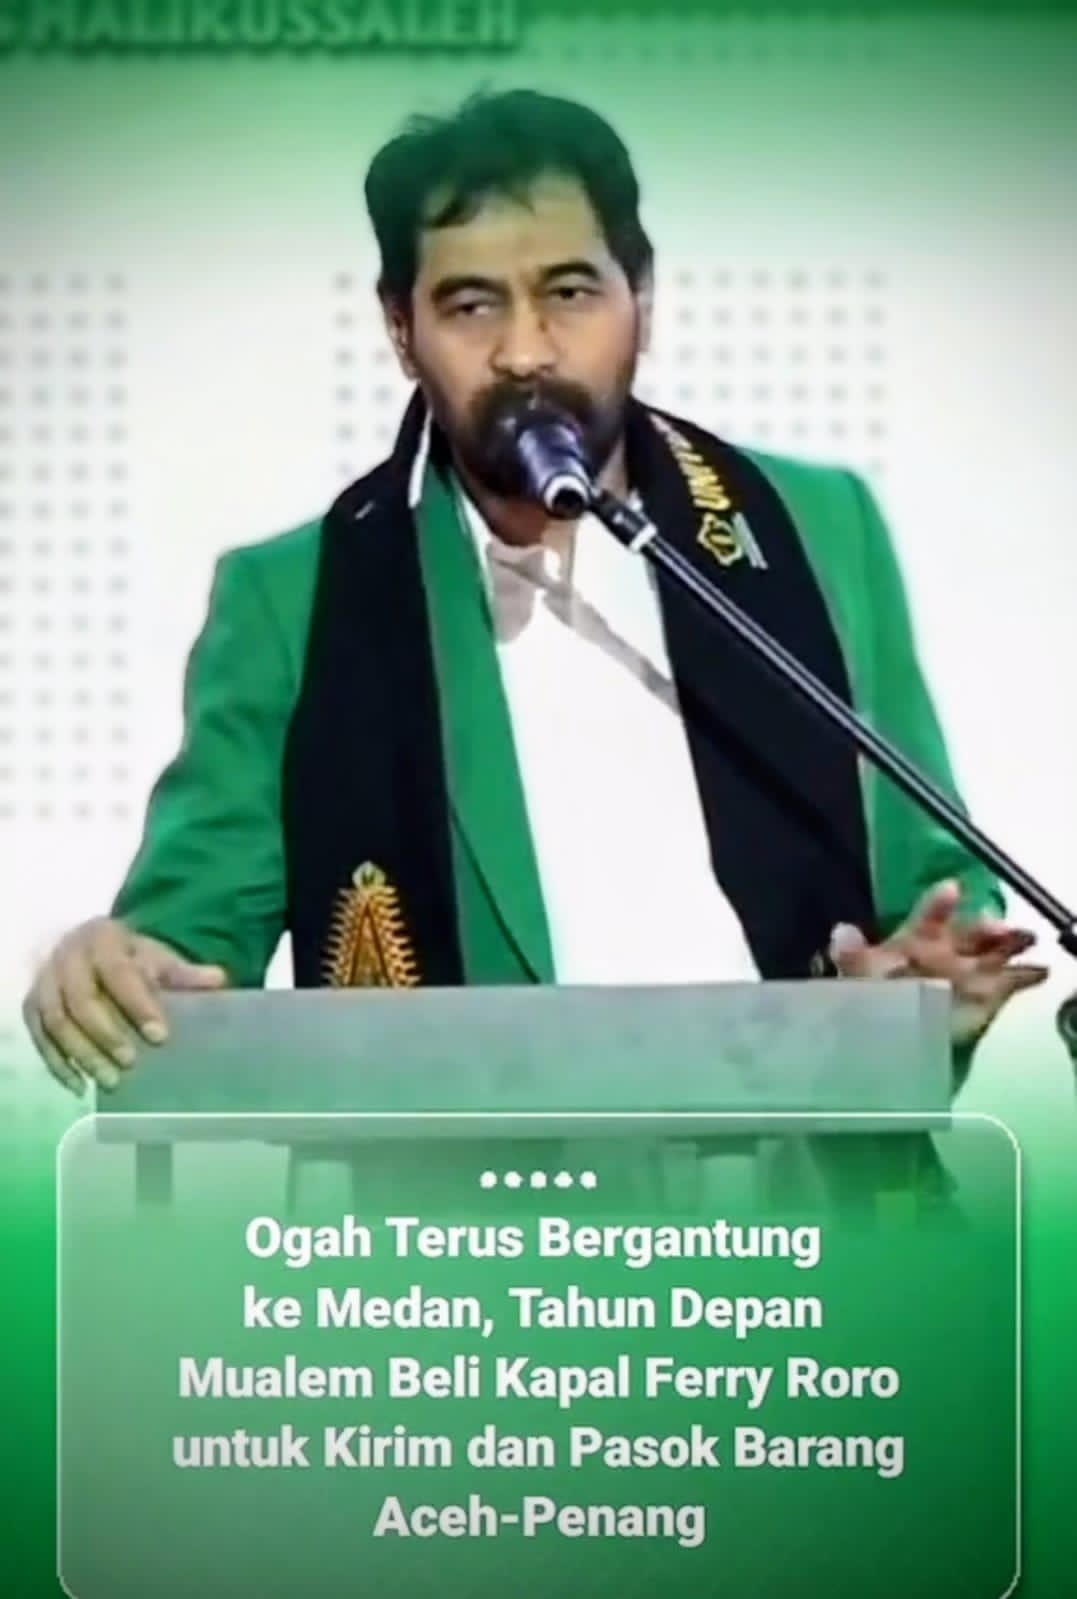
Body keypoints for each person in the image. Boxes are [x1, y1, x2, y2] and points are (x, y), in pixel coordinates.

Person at [23, 88, 1046, 1102]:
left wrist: (923, 983)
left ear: (642, 298)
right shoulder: (292, 598)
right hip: (468, 1195)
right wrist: (116, 968)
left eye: (569, 292)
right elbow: (186, 946)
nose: (524, 351)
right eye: (471, 306)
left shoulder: (813, 527)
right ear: (400, 329)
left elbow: (934, 878)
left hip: (803, 1177)